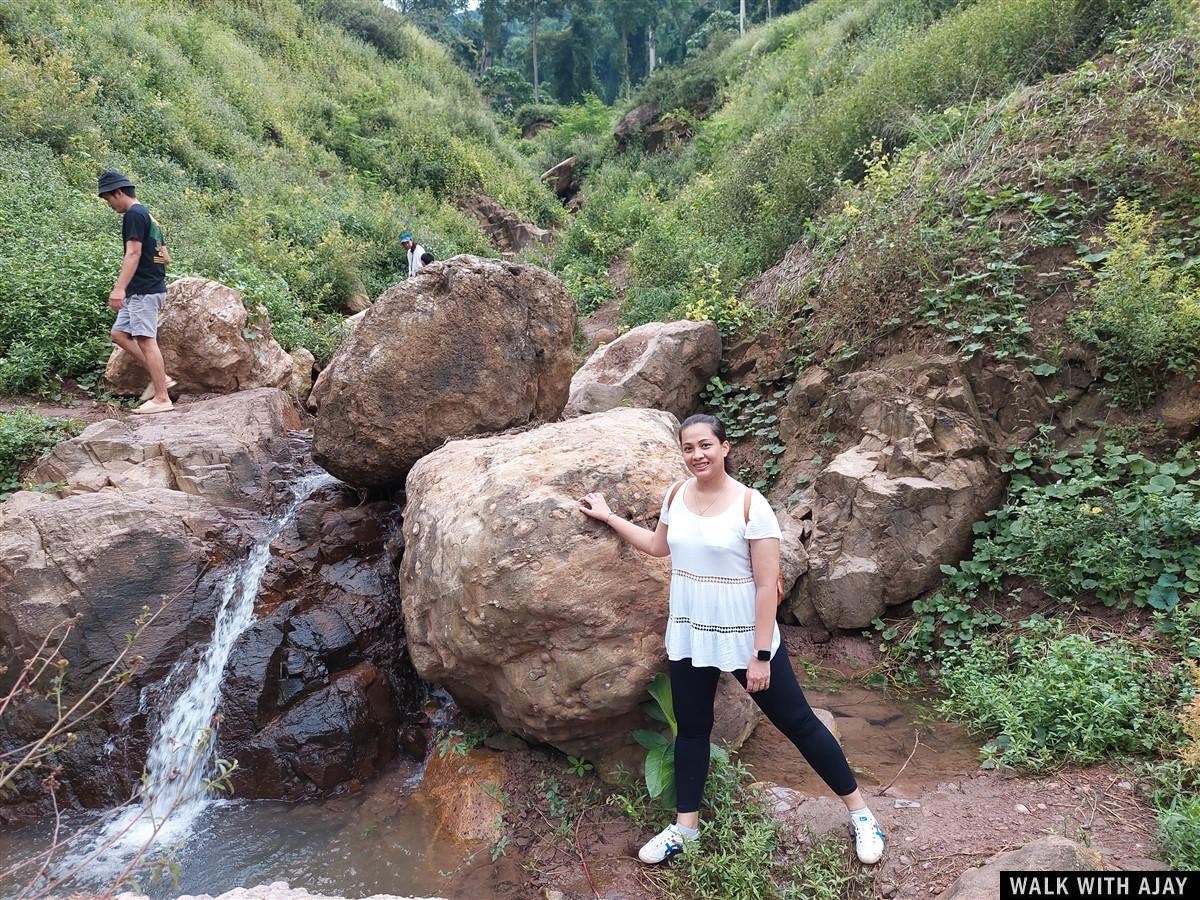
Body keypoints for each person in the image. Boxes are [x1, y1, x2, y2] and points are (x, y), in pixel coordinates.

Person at [579, 414, 885, 867]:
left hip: (745, 637)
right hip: (690, 633)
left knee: (799, 723)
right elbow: (658, 547)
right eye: (688, 448)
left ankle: (861, 814)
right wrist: (608, 517)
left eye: (705, 445)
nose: (697, 455)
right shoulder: (675, 496)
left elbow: (767, 586)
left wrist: (761, 655)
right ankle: (686, 828)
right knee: (692, 731)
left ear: (724, 447)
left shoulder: (750, 504)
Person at [98, 169, 176, 413]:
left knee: (145, 339)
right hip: (146, 288)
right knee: (120, 333)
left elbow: (133, 252)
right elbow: (166, 257)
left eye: (108, 199)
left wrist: (119, 288)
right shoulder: (150, 217)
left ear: (118, 193)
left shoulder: (133, 214)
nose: (109, 204)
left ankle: (162, 398)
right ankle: (163, 378)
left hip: (143, 290)